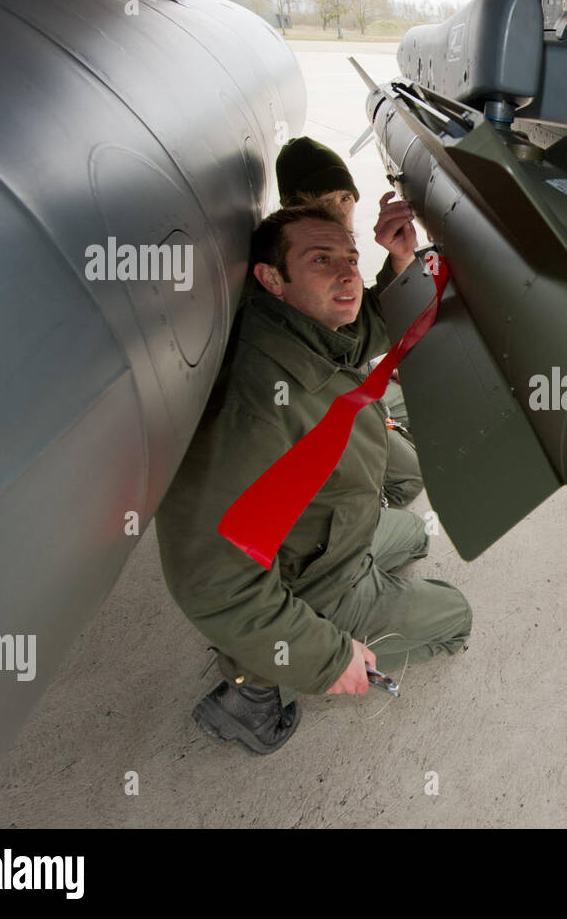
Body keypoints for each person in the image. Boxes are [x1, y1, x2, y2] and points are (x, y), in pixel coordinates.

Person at [156, 201, 472, 754]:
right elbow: (211, 579)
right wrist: (324, 656)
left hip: (336, 540)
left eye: (350, 257)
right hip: (308, 583)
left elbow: (356, 327)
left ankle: (359, 583)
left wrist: (397, 262)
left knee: (415, 529)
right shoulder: (256, 408)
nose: (348, 273)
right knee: (456, 618)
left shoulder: (292, 321)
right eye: (322, 260)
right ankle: (251, 690)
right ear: (271, 278)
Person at [275, 136, 422, 507]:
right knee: (410, 481)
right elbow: (358, 334)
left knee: (419, 401)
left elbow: (355, 328)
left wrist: (399, 259)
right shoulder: (294, 269)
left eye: (345, 198)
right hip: (321, 406)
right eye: (324, 202)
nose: (339, 212)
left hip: (344, 374)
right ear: (295, 209)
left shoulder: (302, 251)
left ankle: (387, 429)